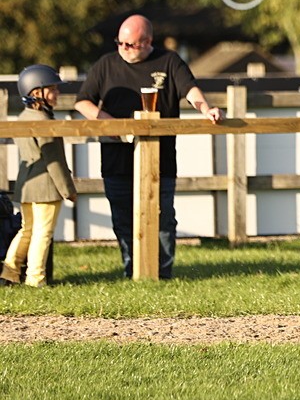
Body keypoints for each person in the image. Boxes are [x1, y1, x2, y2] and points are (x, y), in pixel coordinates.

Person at [74, 15, 222, 279]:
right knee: (123, 219)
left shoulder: (169, 61)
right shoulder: (106, 64)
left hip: (160, 161)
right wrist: (116, 126)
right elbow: (83, 102)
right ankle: (132, 270)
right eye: (120, 43)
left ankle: (162, 273)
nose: (124, 49)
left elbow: (191, 91)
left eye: (130, 44)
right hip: (116, 160)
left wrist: (206, 109)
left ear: (147, 41)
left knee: (163, 219)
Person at [1, 65, 77, 287]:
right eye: (53, 89)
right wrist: (68, 190)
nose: (58, 93)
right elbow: (55, 162)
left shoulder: (23, 117)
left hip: (27, 184)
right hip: (46, 186)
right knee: (43, 233)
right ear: (37, 92)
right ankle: (36, 278)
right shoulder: (45, 122)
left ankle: (9, 272)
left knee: (27, 230)